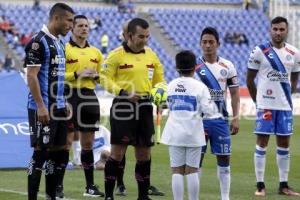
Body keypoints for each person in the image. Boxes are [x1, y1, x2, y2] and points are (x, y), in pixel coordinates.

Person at [101, 18, 165, 200]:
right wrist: (122, 92)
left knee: (144, 154)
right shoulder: (116, 55)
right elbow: (104, 78)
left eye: (147, 36)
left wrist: (160, 94)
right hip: (123, 107)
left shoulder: (152, 55)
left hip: (145, 107)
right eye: (141, 36)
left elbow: (159, 80)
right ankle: (108, 196)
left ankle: (143, 196)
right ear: (129, 35)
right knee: (117, 153)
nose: (145, 40)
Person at [56, 14, 110, 198]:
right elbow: (57, 76)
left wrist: (96, 77)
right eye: (80, 25)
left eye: (86, 25)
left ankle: (90, 187)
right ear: (72, 28)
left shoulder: (95, 52)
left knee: (88, 144)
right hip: (69, 96)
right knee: (66, 143)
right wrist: (78, 73)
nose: (84, 28)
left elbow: (103, 77)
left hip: (89, 97)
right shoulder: (63, 49)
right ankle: (58, 186)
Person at [24, 3, 74, 200]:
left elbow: (57, 76)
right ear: (56, 19)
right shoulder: (38, 42)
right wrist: (41, 106)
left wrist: (64, 101)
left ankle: (51, 195)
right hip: (43, 108)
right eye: (69, 20)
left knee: (60, 151)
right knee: (41, 152)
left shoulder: (60, 43)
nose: (71, 24)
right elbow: (31, 76)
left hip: (59, 106)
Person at [247, 16, 300, 197]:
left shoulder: (294, 53)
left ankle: (283, 185)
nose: (278, 32)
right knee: (262, 142)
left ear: (287, 31)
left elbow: (294, 79)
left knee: (284, 144)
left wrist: (287, 95)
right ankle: (260, 185)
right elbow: (249, 79)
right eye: (275, 29)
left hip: (284, 107)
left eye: (281, 29)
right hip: (266, 106)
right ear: (270, 30)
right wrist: (258, 101)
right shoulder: (259, 51)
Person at [161, 50, 214, 200]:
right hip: (194, 132)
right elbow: (209, 110)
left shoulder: (170, 85)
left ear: (177, 67)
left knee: (177, 171)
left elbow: (165, 104)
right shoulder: (200, 87)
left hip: (174, 132)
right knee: (192, 170)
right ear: (195, 67)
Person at [195, 27, 240, 200]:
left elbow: (235, 93)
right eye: (204, 42)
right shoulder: (194, 66)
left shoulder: (227, 66)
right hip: (198, 121)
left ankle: (225, 197)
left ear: (218, 44)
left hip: (220, 120)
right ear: (200, 44)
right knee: (195, 162)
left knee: (224, 160)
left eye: (211, 42)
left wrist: (236, 118)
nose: (207, 45)